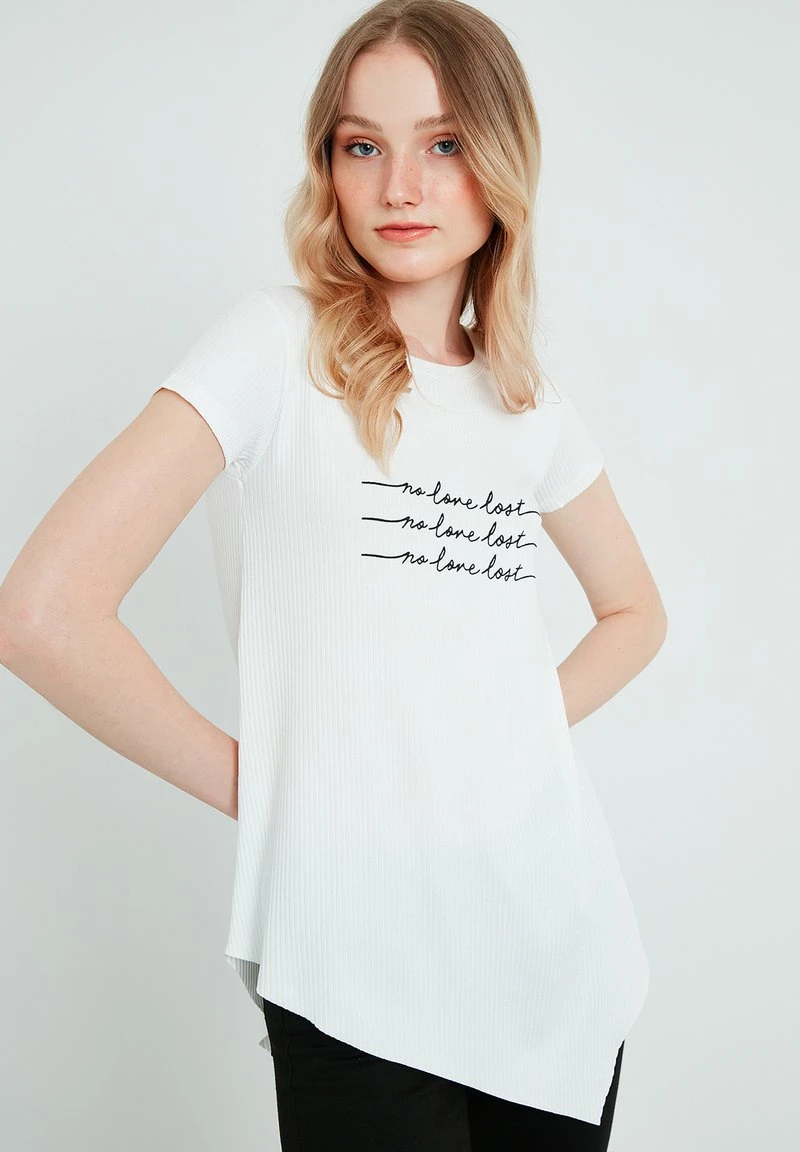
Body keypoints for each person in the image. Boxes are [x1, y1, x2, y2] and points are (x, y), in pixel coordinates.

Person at [0, 1, 667, 1148]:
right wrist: (272, 791)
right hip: (355, 946)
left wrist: (503, 734)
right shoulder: (275, 345)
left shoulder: (525, 402)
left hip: (553, 942)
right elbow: (42, 613)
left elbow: (633, 612)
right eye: (363, 145)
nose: (399, 186)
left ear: (501, 159)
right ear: (329, 168)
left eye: (442, 143)